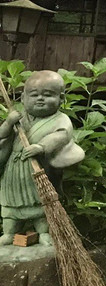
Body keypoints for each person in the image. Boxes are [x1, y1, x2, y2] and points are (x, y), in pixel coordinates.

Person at [0, 70, 85, 246]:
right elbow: (2, 136)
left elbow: (61, 136)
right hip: (14, 170)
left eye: (47, 95)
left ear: (61, 99)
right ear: (23, 98)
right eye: (34, 95)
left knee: (42, 203)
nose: (40, 99)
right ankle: (9, 233)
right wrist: (8, 123)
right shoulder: (19, 118)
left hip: (39, 169)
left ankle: (44, 232)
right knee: (10, 204)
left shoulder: (61, 120)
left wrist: (41, 147)